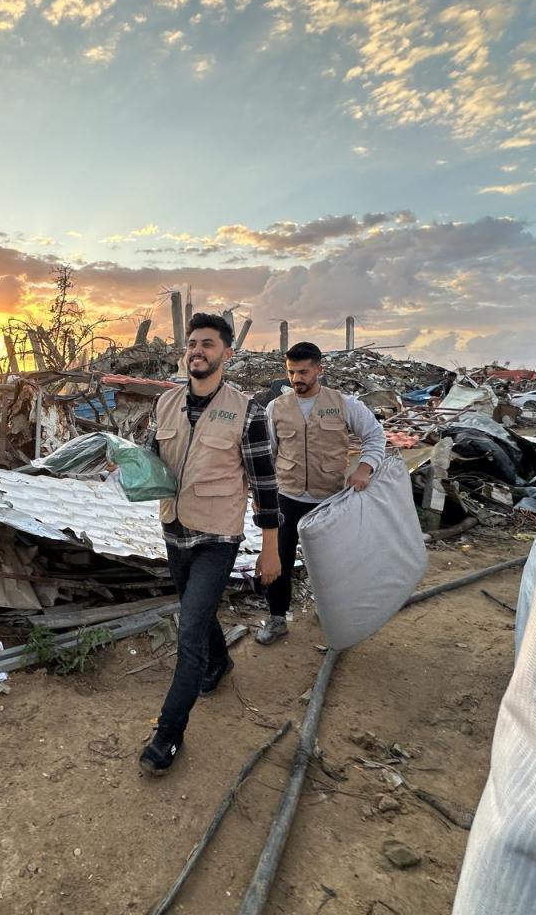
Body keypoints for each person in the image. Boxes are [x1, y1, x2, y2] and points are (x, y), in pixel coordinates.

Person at [138, 313, 282, 775]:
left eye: (208, 344)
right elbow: (151, 460)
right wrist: (126, 464)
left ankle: (168, 735)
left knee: (189, 630)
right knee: (196, 612)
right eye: (192, 344)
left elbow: (265, 484)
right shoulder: (165, 403)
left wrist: (271, 547)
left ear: (227, 353)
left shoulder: (247, 411)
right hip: (174, 530)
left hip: (217, 538)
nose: (197, 351)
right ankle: (219, 663)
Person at [257, 341, 386, 645]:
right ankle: (277, 618)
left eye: (303, 372)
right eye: (291, 372)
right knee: (279, 559)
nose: (296, 379)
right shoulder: (276, 408)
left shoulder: (344, 404)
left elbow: (375, 437)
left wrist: (364, 469)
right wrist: (263, 495)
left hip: (329, 500)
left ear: (319, 369)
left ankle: (331, 614)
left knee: (331, 564)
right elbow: (268, 453)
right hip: (286, 498)